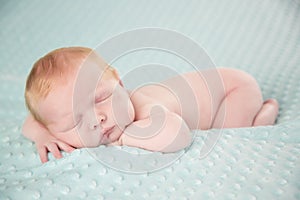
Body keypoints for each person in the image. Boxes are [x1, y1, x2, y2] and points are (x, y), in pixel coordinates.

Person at [22, 47, 279, 163]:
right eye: (76, 121)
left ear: (120, 84)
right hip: (222, 85)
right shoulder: (52, 122)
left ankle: (261, 117)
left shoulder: (144, 108)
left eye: (101, 98)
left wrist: (121, 139)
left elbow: (177, 135)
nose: (98, 118)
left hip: (232, 89)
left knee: (231, 130)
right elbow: (33, 121)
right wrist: (41, 135)